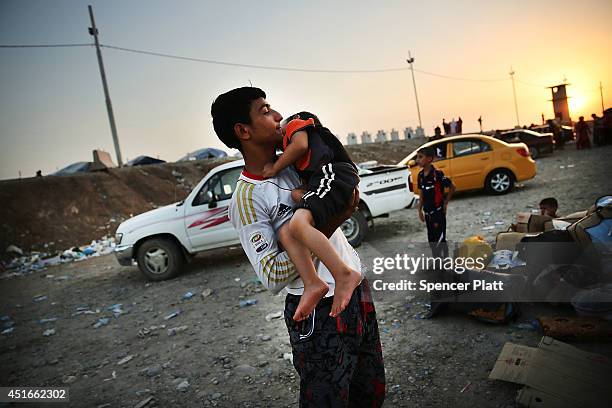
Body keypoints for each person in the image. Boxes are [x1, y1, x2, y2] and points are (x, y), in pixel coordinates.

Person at [211, 87, 385, 407]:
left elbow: (340, 183)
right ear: (242, 130)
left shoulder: (299, 164)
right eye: (265, 111)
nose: (278, 116)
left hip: (356, 290)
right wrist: (335, 219)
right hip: (320, 313)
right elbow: (273, 275)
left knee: (370, 392)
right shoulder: (247, 198)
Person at [261, 112, 362, 320]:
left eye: (282, 127)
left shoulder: (297, 125)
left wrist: (275, 167)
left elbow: (299, 146)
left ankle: (342, 274)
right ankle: (313, 281)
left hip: (334, 174)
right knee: (290, 226)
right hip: (330, 180)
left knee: (298, 225)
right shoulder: (308, 162)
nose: (278, 124)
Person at [417, 146, 455, 258]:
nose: (418, 160)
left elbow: (452, 187)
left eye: (420, 157)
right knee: (432, 240)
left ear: (429, 159)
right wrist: (419, 210)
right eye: (417, 157)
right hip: (428, 213)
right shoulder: (420, 175)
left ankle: (446, 261)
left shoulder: (437, 175)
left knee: (440, 239)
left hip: (438, 213)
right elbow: (421, 194)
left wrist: (445, 203)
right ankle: (437, 262)